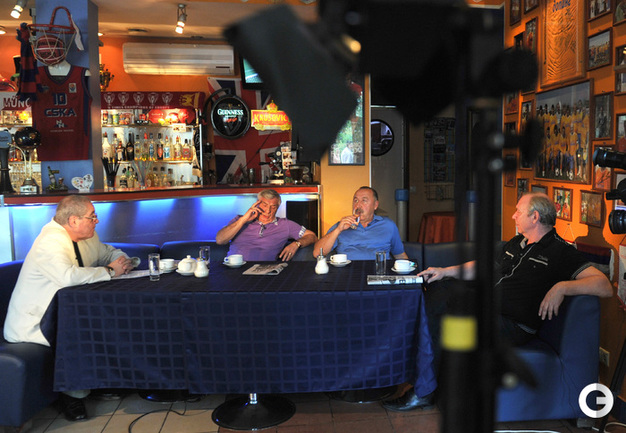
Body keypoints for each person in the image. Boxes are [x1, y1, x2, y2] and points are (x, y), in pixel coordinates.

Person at [382, 192, 613, 411]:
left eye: (518, 211)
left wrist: (562, 287)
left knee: (443, 309)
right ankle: (422, 383)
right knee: (438, 286)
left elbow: (603, 285)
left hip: (511, 324)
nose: (513, 216)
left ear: (535, 217)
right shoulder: (517, 242)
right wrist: (445, 271)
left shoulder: (560, 251)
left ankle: (420, 388)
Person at [3, 195, 135, 421]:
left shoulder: (87, 236)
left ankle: (104, 381)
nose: (97, 221)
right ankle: (72, 396)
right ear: (73, 220)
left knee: (109, 320)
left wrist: (122, 261)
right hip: (36, 321)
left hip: (67, 312)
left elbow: (107, 252)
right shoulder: (49, 242)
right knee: (80, 332)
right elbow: (67, 276)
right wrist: (110, 271)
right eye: (92, 217)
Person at [216, 188, 317, 261]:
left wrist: (296, 244)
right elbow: (220, 240)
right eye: (264, 205)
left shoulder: (285, 224)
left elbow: (312, 236)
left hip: (264, 272)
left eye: (273, 207)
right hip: (235, 269)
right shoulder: (239, 220)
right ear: (257, 204)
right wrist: (243, 220)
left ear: (277, 208)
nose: (268, 211)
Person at [313, 186, 408, 260]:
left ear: (375, 205)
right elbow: (317, 253)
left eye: (364, 200)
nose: (358, 205)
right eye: (355, 200)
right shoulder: (342, 225)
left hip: (379, 273)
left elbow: (400, 255)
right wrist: (338, 230)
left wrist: (410, 274)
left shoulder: (388, 225)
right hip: (348, 274)